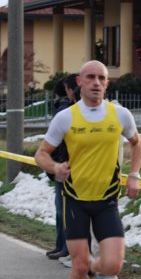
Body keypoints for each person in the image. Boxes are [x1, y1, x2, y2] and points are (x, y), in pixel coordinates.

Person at [35, 60, 141, 279]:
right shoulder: (66, 118)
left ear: (107, 83)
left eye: (102, 78)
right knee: (78, 266)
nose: (96, 83)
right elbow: (41, 154)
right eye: (91, 77)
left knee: (112, 266)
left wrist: (134, 175)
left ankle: (92, 272)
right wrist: (55, 168)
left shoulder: (120, 114)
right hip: (75, 200)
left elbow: (136, 143)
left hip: (107, 200)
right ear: (80, 82)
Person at [46, 74, 79, 260]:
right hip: (63, 165)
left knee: (65, 210)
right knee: (63, 210)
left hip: (66, 166)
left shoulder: (65, 112)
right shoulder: (66, 111)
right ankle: (62, 246)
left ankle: (66, 247)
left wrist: (56, 164)